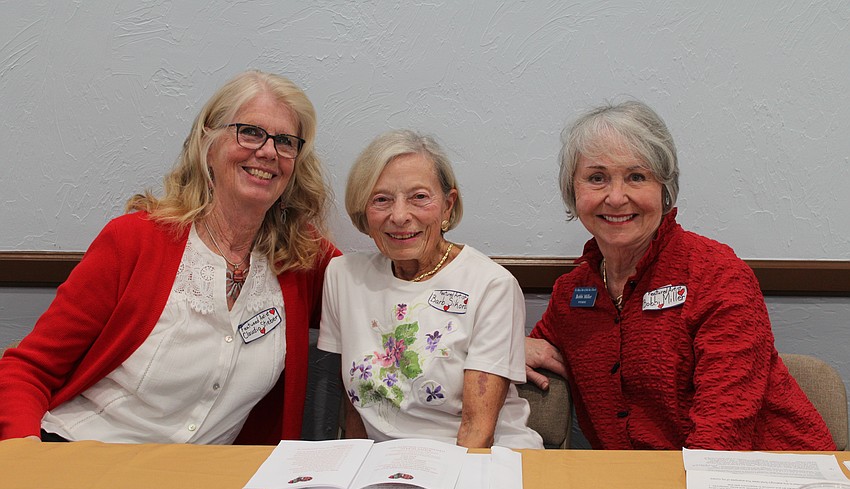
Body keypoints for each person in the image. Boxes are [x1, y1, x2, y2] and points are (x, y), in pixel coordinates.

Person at [0, 70, 338, 444]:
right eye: (251, 132)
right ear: (209, 143)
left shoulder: (301, 258)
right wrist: (25, 457)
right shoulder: (134, 241)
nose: (268, 151)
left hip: (195, 487)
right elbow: (28, 369)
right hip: (81, 461)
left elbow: (377, 295)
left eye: (285, 141)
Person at [525, 100, 834, 451]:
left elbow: (723, 434)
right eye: (597, 178)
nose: (615, 197)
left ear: (663, 189)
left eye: (636, 177)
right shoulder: (573, 294)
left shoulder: (716, 274)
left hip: (773, 481)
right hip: (648, 486)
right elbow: (536, 346)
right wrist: (507, 349)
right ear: (573, 191)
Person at [318, 130, 542, 449]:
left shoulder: (491, 285)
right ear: (363, 211)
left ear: (447, 206)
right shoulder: (344, 276)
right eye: (381, 199)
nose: (399, 216)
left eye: (419, 197)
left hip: (478, 457)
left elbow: (478, 432)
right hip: (387, 467)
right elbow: (356, 405)